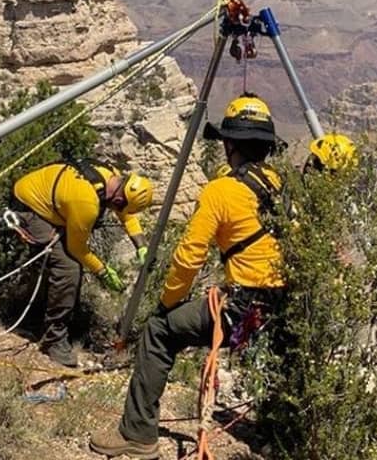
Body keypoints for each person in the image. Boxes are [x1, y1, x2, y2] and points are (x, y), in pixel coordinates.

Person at [90, 94, 287, 459]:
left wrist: (167, 304)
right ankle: (289, 429)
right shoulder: (280, 184)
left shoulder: (221, 190)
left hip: (242, 308)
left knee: (159, 332)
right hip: (282, 306)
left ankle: (137, 434)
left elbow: (189, 256)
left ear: (229, 144)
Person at [9, 161, 154, 367]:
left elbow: (126, 214)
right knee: (68, 268)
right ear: (120, 197)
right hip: (30, 209)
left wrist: (141, 245)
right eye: (120, 205)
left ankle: (57, 316)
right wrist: (103, 272)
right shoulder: (87, 202)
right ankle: (54, 339)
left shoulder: (112, 177)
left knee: (67, 263)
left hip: (49, 202)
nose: (118, 210)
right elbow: (77, 249)